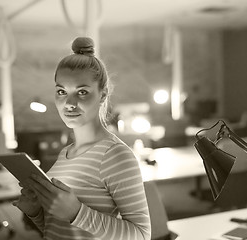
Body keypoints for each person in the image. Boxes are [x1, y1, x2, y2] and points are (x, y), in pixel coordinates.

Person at [12, 37, 151, 240]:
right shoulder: (65, 154)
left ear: (102, 95)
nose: (69, 103)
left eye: (82, 92)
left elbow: (142, 235)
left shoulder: (115, 155)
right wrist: (35, 212)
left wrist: (77, 213)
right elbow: (63, 232)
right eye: (61, 91)